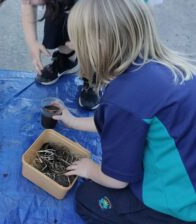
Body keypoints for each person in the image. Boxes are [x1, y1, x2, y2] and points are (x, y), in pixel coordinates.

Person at [52, 0, 196, 223]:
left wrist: (90, 170)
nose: (73, 46)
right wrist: (71, 121)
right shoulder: (168, 66)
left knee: (88, 198)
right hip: (187, 169)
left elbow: (117, 180)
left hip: (182, 204)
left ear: (97, 44)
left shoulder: (125, 98)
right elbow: (113, 121)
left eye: (76, 42)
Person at [21, 0, 99, 110]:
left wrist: (83, 40)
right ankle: (67, 60)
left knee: (94, 44)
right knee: (57, 25)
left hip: (97, 10)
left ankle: (94, 75)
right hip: (61, 4)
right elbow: (27, 4)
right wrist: (32, 42)